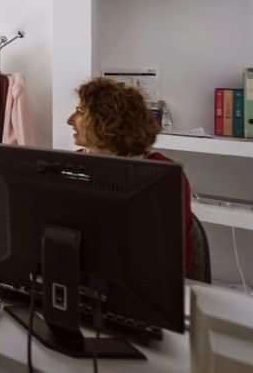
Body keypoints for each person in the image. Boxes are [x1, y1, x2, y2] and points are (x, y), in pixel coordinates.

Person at [67, 77, 194, 274]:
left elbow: (167, 258)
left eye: (81, 111)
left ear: (108, 121)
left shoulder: (162, 175)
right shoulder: (70, 166)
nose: (70, 120)